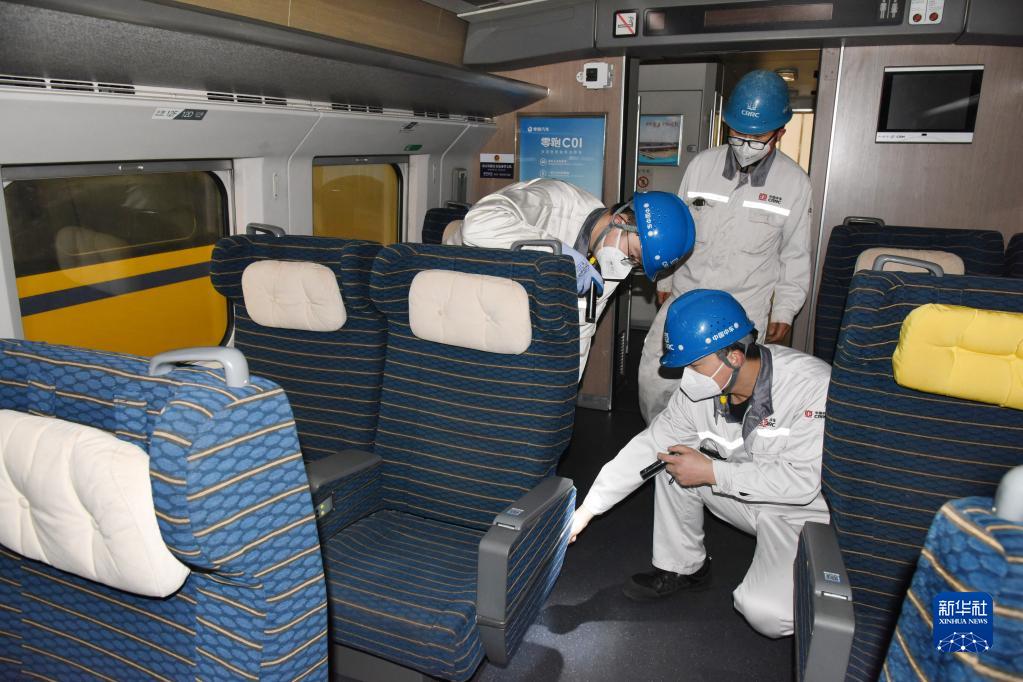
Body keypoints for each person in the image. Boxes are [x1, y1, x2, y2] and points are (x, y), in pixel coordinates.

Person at [570, 290, 831, 638]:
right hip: (744, 493)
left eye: (694, 366)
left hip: (797, 513)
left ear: (734, 357)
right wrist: (587, 510)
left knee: (765, 613)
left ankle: (820, 581)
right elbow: (650, 446)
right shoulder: (703, 391)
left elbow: (802, 482)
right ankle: (684, 567)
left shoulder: (811, 386)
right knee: (673, 462)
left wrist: (712, 472)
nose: (687, 377)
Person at [638, 70, 814, 423]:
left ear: (780, 133)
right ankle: (659, 443)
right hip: (686, 296)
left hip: (743, 309)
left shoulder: (795, 184)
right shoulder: (702, 166)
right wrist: (666, 279)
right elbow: (678, 229)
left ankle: (710, 454)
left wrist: (784, 311)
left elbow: (795, 254)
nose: (745, 143)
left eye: (757, 137)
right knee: (655, 383)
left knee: (724, 399)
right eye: (737, 133)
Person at [449, 178, 695, 378]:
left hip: (507, 312)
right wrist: (557, 253)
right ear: (620, 221)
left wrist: (564, 389)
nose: (625, 266)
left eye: (635, 264)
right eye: (632, 254)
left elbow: (582, 328)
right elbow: (476, 226)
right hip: (461, 281)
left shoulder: (612, 260)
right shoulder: (554, 202)